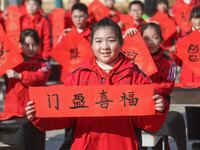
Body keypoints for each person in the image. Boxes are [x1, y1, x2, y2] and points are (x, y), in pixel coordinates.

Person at [25, 17, 169, 150]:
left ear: (121, 43)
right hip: (85, 145)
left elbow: (145, 123)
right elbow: (65, 118)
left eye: (111, 40)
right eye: (99, 41)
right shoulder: (77, 78)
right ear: (92, 44)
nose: (105, 46)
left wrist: (158, 109)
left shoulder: (136, 77)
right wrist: (39, 115)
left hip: (122, 144)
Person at [124, 22, 176, 150]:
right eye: (146, 38)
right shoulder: (132, 59)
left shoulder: (168, 61)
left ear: (161, 39)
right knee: (139, 138)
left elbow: (168, 86)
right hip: (137, 103)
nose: (151, 42)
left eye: (155, 37)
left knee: (159, 139)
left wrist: (145, 89)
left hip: (159, 103)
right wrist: (126, 37)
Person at [3, 28, 51, 115]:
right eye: (27, 45)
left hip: (34, 111)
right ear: (20, 44)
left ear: (39, 45)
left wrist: (20, 76)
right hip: (11, 111)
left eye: (34, 45)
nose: (31, 48)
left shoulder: (44, 64)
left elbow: (40, 79)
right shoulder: (10, 60)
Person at [58, 3, 93, 82]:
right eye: (75, 17)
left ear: (87, 16)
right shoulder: (66, 33)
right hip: (68, 73)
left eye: (81, 16)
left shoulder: (93, 34)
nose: (78, 19)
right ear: (71, 17)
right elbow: (60, 53)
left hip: (86, 72)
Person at [169, 5, 200, 85]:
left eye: (199, 17)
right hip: (187, 81)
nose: (198, 21)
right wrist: (173, 53)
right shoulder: (183, 39)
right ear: (190, 19)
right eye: (195, 18)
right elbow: (177, 62)